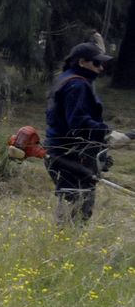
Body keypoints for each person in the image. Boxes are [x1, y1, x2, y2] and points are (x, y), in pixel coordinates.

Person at [44, 41, 128, 222]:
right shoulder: (77, 85)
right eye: (96, 63)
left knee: (71, 202)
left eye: (102, 63)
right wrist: (107, 134)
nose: (101, 68)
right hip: (71, 154)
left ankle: (64, 242)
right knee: (78, 207)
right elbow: (78, 122)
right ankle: (66, 244)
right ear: (82, 62)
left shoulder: (66, 78)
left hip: (60, 152)